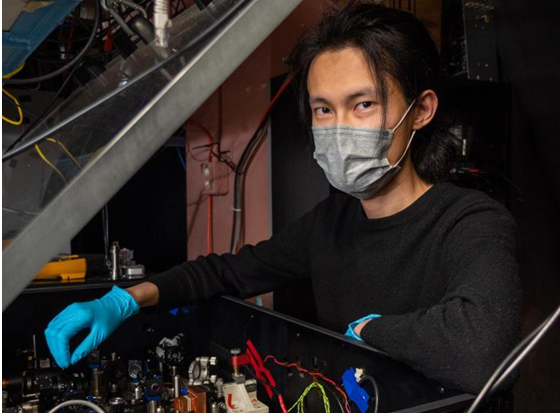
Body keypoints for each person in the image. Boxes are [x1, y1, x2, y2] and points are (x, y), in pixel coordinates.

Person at [45, 3, 521, 395]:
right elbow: (228, 272)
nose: (339, 128)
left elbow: (481, 350)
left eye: (363, 104)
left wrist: (370, 331)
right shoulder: (330, 222)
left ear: (421, 111)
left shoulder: (470, 221)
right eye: (323, 109)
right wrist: (123, 301)